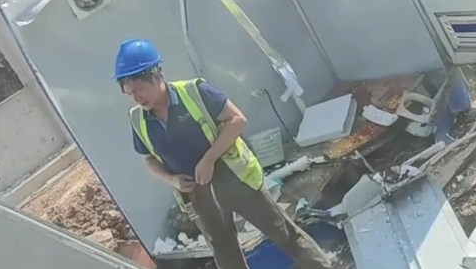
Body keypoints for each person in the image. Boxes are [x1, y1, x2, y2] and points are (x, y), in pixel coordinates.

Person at [115, 38, 331, 269]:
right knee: (222, 248)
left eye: (139, 89)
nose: (136, 98)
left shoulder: (195, 92)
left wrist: (209, 159)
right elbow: (148, 159)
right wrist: (172, 179)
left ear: (156, 77)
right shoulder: (138, 118)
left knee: (280, 230)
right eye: (129, 93)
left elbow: (237, 120)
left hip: (233, 177)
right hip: (197, 192)